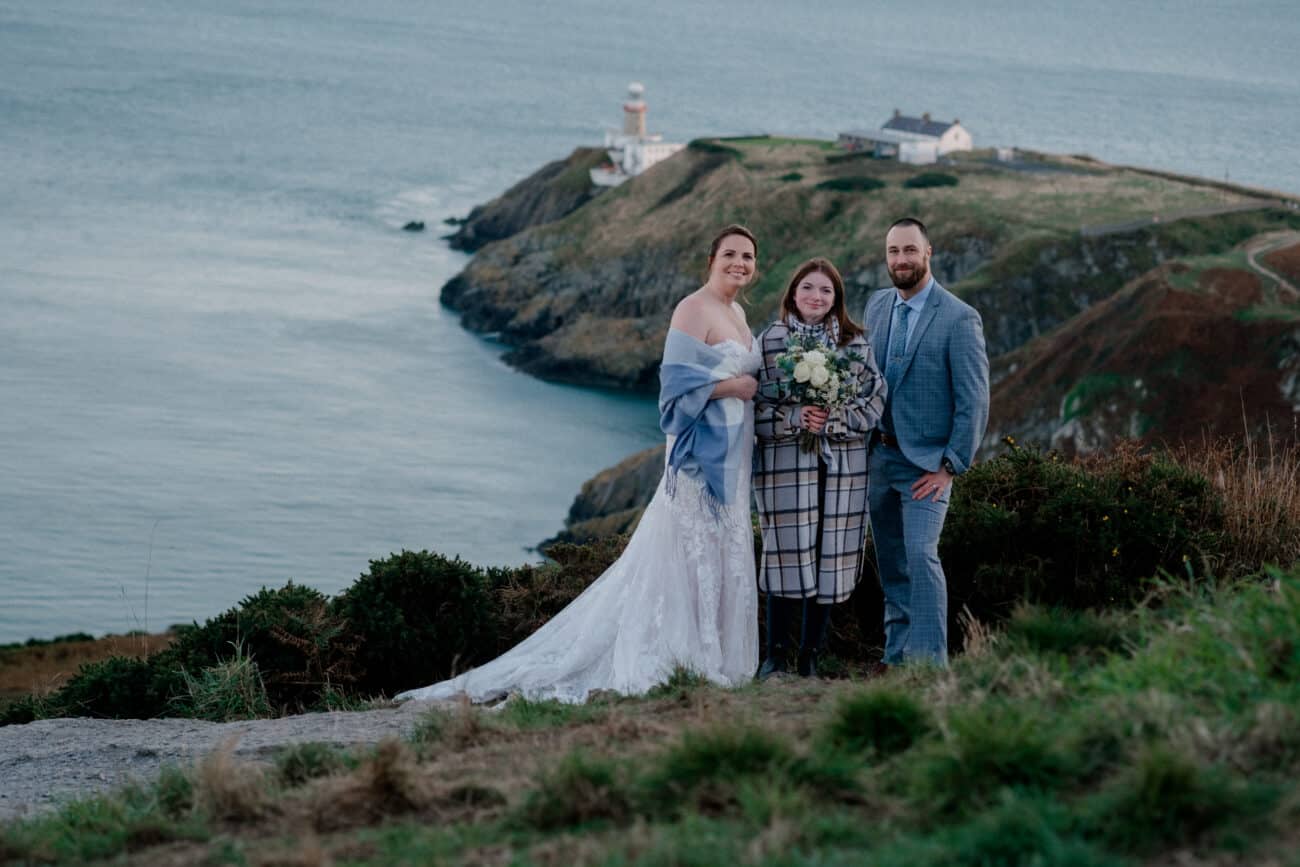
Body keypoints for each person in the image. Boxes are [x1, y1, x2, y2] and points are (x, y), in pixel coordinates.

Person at [395, 225, 762, 704]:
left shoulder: (736, 312)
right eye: (730, 254)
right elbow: (672, 394)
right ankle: (686, 658)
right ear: (711, 259)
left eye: (748, 256)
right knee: (690, 555)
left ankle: (717, 656)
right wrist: (731, 388)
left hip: (733, 459)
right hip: (698, 462)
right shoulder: (693, 308)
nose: (739, 263)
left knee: (720, 553)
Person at [863, 218, 989, 668]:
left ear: (928, 252)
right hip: (879, 457)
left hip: (927, 467)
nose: (901, 259)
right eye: (894, 251)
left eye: (909, 250)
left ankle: (930, 665)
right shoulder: (877, 306)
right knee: (893, 562)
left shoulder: (959, 318)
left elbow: (974, 401)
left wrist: (949, 466)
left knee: (920, 556)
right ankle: (897, 658)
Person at [753, 258, 885, 678]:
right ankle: (774, 657)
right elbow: (753, 407)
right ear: (792, 293)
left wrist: (833, 420)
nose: (816, 297)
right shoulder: (771, 341)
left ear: (837, 299)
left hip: (843, 467)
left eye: (826, 291)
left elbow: (875, 402)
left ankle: (810, 657)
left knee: (829, 559)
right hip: (786, 465)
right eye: (808, 288)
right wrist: (795, 420)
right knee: (785, 555)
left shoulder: (855, 344)